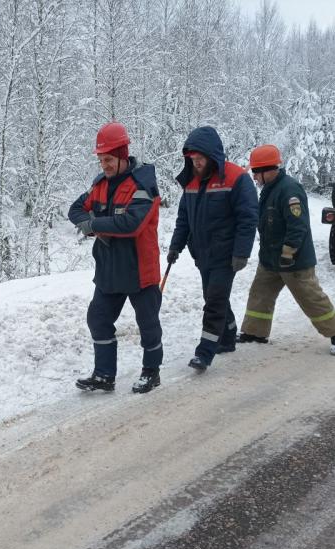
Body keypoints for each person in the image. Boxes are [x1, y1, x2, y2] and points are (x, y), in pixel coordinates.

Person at [69, 122, 163, 394]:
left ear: (123, 155)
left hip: (139, 270)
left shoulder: (143, 186)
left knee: (148, 324)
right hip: (109, 270)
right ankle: (104, 375)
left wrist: (94, 224)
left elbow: (132, 224)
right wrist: (89, 222)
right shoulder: (100, 185)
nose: (104, 165)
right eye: (101, 160)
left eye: (108, 159)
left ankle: (151, 371)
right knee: (97, 319)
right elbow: (75, 209)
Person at [239, 144, 335, 355]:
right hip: (270, 258)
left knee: (310, 296)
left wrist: (288, 253)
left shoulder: (289, 190)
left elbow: (297, 226)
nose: (253, 177)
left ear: (268, 170)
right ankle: (255, 332)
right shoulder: (270, 189)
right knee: (260, 293)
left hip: (293, 259)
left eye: (255, 172)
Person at [167, 126, 258, 373]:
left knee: (214, 301)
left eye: (200, 159)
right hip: (202, 253)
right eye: (192, 160)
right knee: (213, 296)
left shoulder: (236, 178)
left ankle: (204, 352)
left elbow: (248, 218)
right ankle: (227, 338)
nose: (196, 164)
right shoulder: (191, 182)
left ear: (212, 155)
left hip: (226, 255)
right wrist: (176, 246)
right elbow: (183, 219)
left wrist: (242, 252)